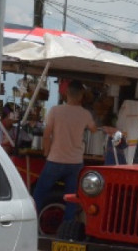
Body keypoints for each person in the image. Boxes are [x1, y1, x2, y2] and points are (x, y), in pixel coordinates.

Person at [33, 80, 115, 224]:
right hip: (75, 162)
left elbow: (47, 134)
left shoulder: (55, 110)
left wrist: (46, 153)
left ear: (66, 94)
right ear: (81, 96)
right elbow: (95, 130)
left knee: (39, 193)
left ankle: (30, 223)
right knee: (71, 198)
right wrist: (107, 128)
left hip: (55, 159)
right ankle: (67, 228)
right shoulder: (85, 114)